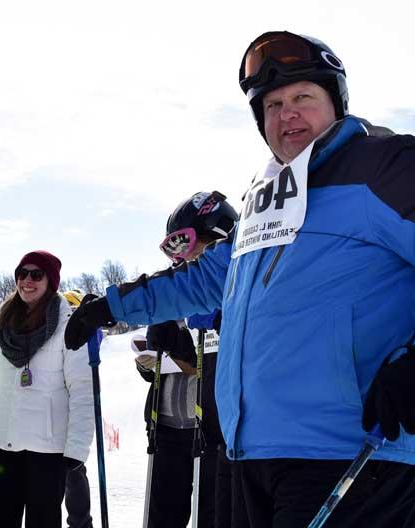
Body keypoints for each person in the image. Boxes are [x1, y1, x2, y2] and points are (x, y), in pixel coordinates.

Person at [65, 30, 415, 527]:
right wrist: (112, 306)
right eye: (271, 105)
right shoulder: (268, 198)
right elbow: (205, 280)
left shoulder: (383, 164)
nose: (286, 114)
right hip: (253, 452)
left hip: (351, 454)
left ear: (335, 103)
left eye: (302, 98)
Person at [0, 251, 94, 528]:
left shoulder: (69, 328)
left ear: (51, 282)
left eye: (36, 275)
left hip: (47, 450)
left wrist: (77, 447)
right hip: (0, 444)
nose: (27, 281)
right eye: (22, 274)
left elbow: (82, 390)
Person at [135, 191, 239, 528]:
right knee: (163, 513)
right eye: (173, 249)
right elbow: (156, 359)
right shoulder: (172, 290)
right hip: (168, 423)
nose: (182, 258)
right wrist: (151, 361)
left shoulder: (238, 287)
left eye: (188, 244)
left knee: (213, 512)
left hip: (212, 431)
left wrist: (190, 353)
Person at [62, 289, 94, 528]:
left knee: (74, 471)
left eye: (73, 311)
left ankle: (81, 523)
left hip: (75, 409)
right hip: (50, 411)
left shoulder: (87, 334)